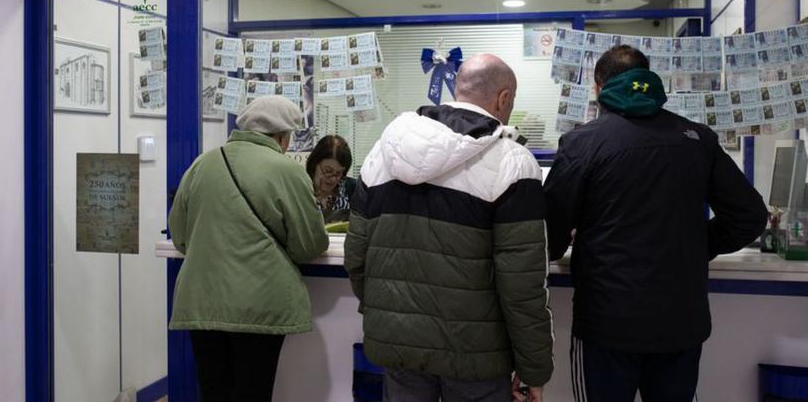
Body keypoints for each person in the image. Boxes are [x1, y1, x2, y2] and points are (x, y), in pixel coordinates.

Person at [544, 45, 768, 402]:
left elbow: (550, 231)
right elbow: (751, 216)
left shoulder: (582, 143)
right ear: (649, 81)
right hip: (680, 321)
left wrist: (569, 243)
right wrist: (699, 244)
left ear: (599, 88)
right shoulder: (696, 139)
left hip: (607, 321)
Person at [345, 53, 554, 402]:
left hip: (399, 348)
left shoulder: (381, 155)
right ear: (504, 99)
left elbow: (356, 258)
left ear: (458, 89)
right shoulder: (514, 163)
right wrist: (534, 369)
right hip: (477, 357)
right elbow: (522, 286)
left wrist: (391, 317)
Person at [168, 96, 329, 402]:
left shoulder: (202, 164)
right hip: (259, 306)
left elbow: (179, 236)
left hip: (202, 303)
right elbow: (310, 244)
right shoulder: (288, 172)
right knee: (253, 393)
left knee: (214, 392)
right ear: (282, 137)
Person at [306, 134, 356, 223]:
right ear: (315, 164)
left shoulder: (352, 189)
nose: (333, 179)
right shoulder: (301, 187)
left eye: (338, 173)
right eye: (328, 171)